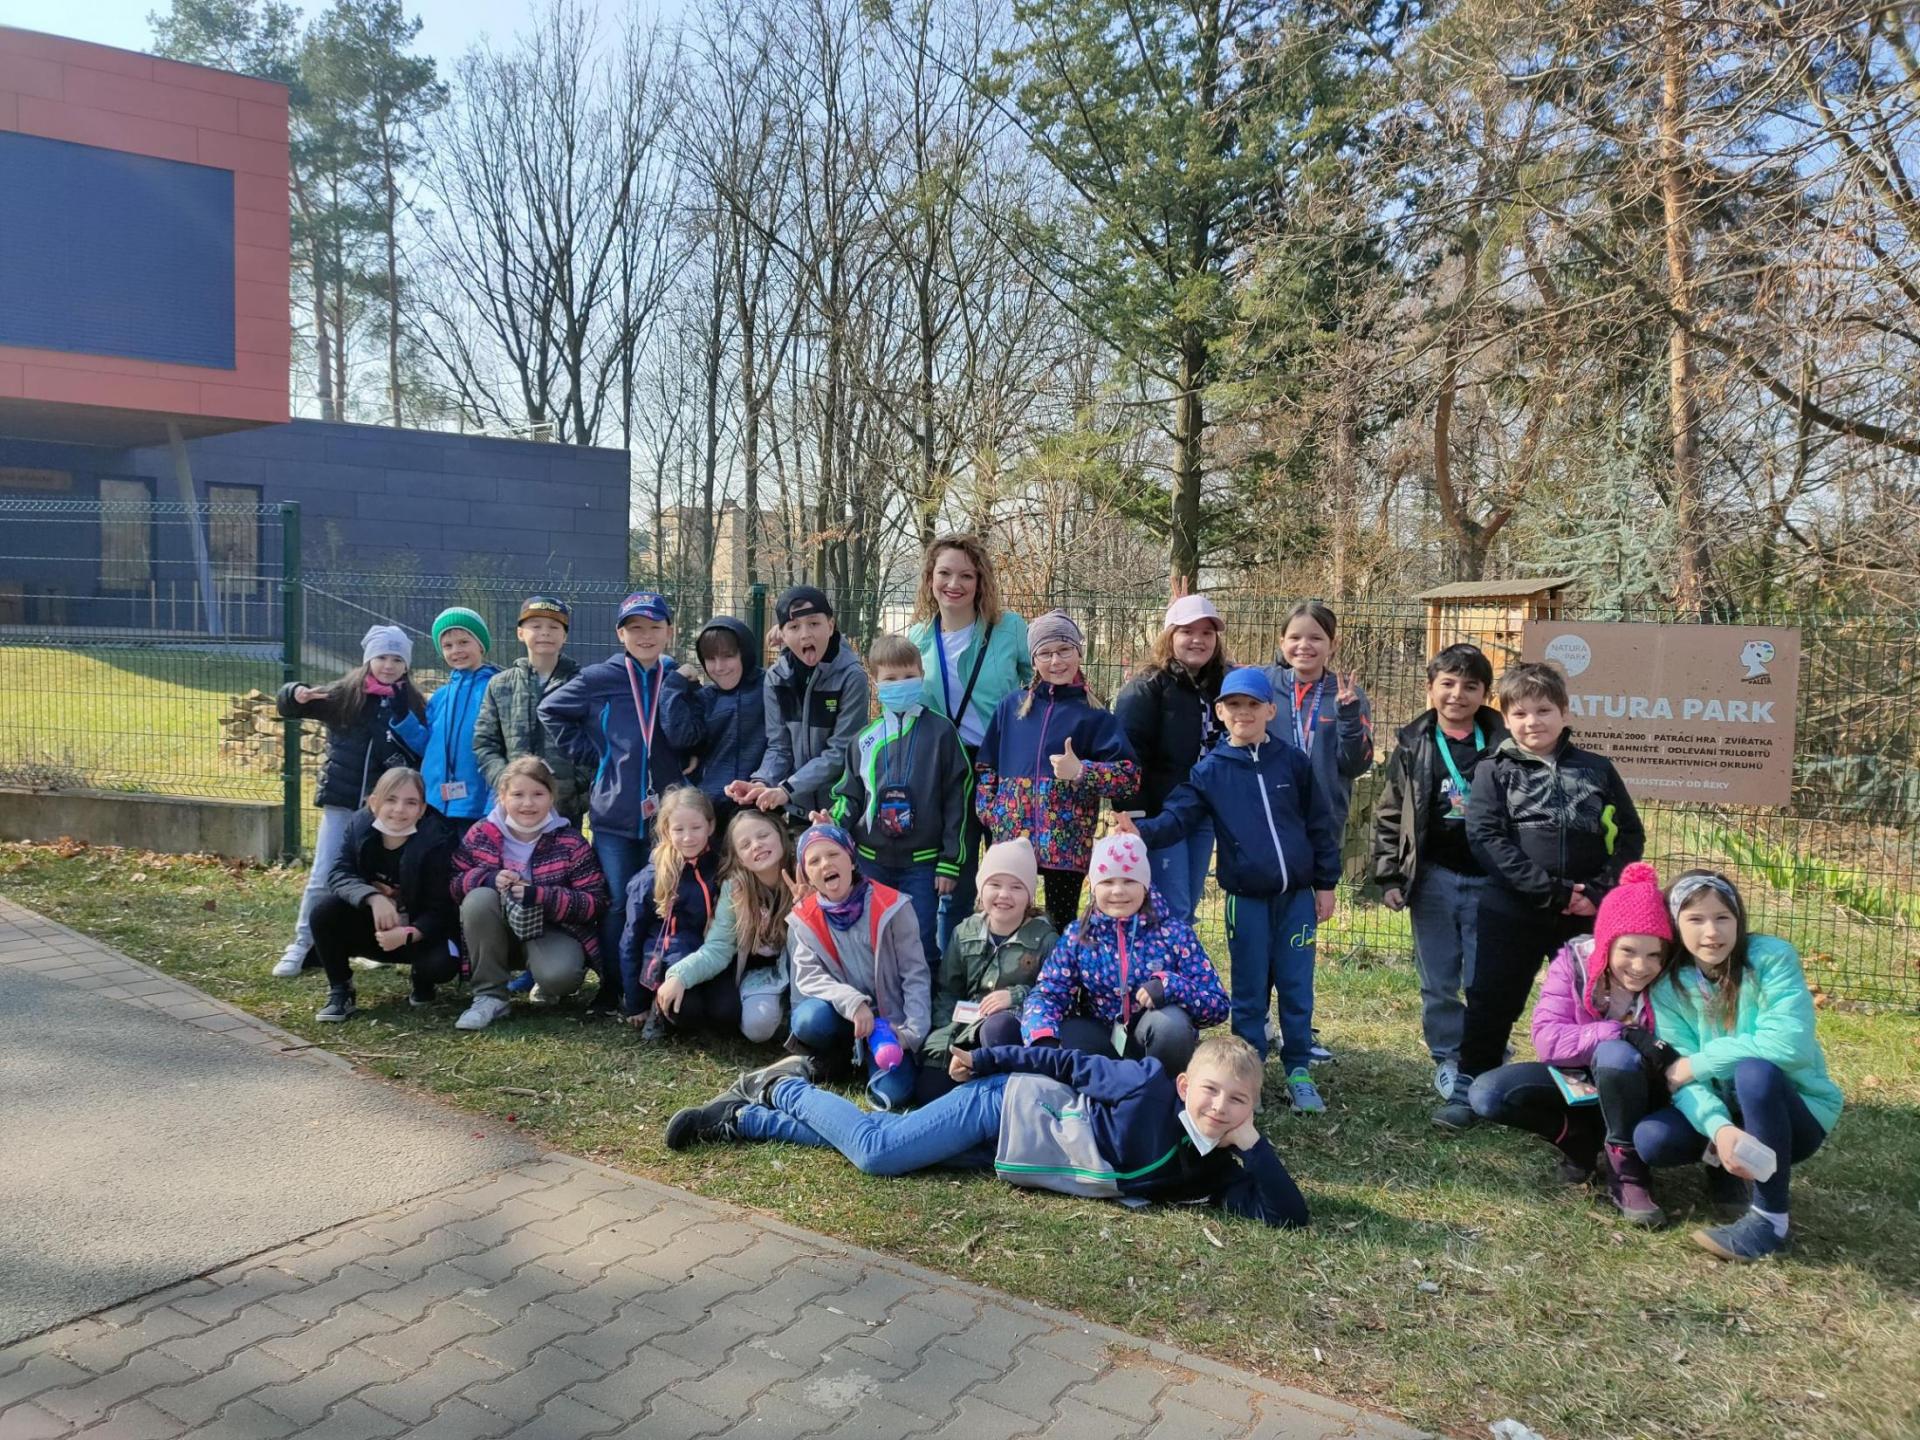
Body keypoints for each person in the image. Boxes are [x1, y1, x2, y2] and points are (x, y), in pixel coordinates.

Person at [664, 1034, 1309, 1230]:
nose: (1220, 1107)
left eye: (1238, 1101)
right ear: (1184, 1085)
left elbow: (1288, 1216)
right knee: (878, 1151)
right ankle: (782, 1087)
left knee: (890, 1137)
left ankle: (744, 1121)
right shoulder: (1145, 1085)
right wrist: (987, 1060)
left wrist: (1253, 1145)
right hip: (1003, 1108)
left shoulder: (1217, 1170)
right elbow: (1065, 1062)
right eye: (1210, 1090)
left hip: (1007, 1157)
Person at [1117, 667, 1340, 1112]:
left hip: (1296, 899)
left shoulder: (1292, 762)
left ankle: (1298, 1069)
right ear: (1220, 712)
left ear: (1270, 710)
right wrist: (1142, 832)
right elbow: (1179, 816)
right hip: (1246, 901)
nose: (1243, 713)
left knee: (1296, 985)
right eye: (1233, 705)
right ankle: (1248, 1073)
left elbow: (1320, 822)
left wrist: (1325, 883)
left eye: (1253, 705)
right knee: (1250, 991)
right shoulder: (1210, 771)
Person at [1435, 661, 1645, 1131]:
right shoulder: (1492, 770)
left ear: (1565, 713)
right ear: (1506, 719)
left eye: (1544, 710)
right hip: (1513, 908)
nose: (1533, 722)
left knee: (1590, 1000)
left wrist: (1597, 892)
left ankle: (1593, 1091)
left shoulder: (1598, 769)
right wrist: (1550, 891)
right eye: (1521, 713)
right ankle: (1470, 1084)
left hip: (1587, 911)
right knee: (1492, 997)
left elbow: (1630, 836)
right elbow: (1486, 838)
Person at [1640, 870, 1843, 1262]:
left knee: (1755, 1071)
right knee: (1653, 1140)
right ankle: (1722, 1166)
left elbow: (1789, 1045)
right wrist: (1720, 1128)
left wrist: (1700, 1062)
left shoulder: (1772, 958)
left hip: (1793, 1116)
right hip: (1729, 1113)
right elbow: (1680, 1079)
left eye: (1723, 917)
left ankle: (1770, 1219)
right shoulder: (1668, 988)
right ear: (1675, 925)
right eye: (1695, 919)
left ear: (1739, 919)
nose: (1711, 932)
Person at [1467, 862, 1677, 1225]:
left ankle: (1628, 1170)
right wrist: (1619, 1031)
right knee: (1488, 1093)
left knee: (1615, 1056)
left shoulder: (1673, 982)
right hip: (1576, 1079)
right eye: (1628, 950)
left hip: (1642, 1089)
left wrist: (1623, 1045)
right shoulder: (1572, 963)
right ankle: (1578, 1139)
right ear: (1607, 943)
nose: (1640, 966)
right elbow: (1547, 1040)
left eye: (1654, 954)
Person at [539, 591, 702, 1009]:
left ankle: (652, 983)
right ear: (620, 634)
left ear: (670, 631)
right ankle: (613, 986)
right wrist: (597, 756)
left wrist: (690, 756)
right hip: (614, 816)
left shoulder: (677, 677)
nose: (646, 636)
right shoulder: (600, 678)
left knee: (663, 898)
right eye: (636, 628)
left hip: (668, 816)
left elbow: (694, 726)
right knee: (616, 902)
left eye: (654, 627)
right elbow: (551, 710)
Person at [1368, 642, 1508, 1101]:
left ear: (1485, 693)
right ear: (1430, 688)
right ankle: (1448, 1058)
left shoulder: (1507, 745)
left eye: (1470, 686)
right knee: (1439, 980)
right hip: (1433, 879)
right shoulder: (1414, 744)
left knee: (1485, 980)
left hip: (1492, 883)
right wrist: (1389, 875)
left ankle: (1486, 1057)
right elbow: (1390, 812)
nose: (1457, 695)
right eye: (1447, 684)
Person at [270, 624, 425, 978]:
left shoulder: (412, 703)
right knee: (324, 872)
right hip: (342, 801)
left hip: (385, 809)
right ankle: (302, 944)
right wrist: (294, 693)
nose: (389, 665)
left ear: (406, 665)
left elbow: (419, 748)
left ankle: (371, 942)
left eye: (397, 659)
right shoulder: (344, 694)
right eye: (382, 657)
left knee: (377, 878)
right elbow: (290, 706)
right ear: (368, 659)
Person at [973, 610, 1139, 928]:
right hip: (1011, 838)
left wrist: (1081, 772)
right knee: (1008, 916)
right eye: (1045, 653)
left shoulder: (1095, 717)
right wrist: (990, 811)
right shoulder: (1011, 708)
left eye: (1064, 650)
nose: (1056, 661)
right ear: (1033, 659)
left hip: (1067, 845)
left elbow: (1128, 778)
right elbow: (986, 766)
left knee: (1061, 923)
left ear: (1078, 652)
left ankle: (1059, 963)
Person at [907, 534, 1032, 946]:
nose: (954, 584)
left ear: (980, 581)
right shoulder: (918, 638)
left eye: (966, 575)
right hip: (948, 771)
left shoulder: (1009, 629)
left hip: (1002, 767)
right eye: (944, 573)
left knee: (1008, 878)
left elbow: (1044, 675)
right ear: (930, 578)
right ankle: (952, 972)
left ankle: (1009, 967)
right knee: (953, 882)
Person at [1020, 832, 1228, 1076]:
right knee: (1064, 1033)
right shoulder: (1078, 935)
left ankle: (1166, 1091)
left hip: (1150, 1041)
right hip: (1099, 1037)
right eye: (1107, 882)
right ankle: (1089, 1095)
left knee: (1170, 1025)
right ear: (1093, 887)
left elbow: (1218, 1005)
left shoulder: (1175, 934)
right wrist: (1042, 1035)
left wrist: (1170, 987)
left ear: (1145, 886)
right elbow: (1049, 993)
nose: (1118, 891)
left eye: (1129, 880)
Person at [828, 633, 971, 967]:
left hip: (922, 864)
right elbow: (849, 795)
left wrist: (950, 860)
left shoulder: (942, 733)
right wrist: (832, 824)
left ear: (922, 675)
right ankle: (877, 994)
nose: (900, 684)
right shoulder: (864, 739)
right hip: (870, 861)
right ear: (875, 682)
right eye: (891, 679)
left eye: (909, 676)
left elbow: (958, 800)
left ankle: (926, 995)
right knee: (874, 936)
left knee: (920, 938)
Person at [450, 756, 609, 1032]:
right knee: (478, 898)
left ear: (551, 797)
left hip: (549, 930)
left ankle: (546, 981)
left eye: (538, 794)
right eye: (518, 795)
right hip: (496, 930)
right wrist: (488, 879)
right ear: (502, 797)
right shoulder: (481, 833)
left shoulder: (570, 841)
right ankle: (490, 996)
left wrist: (541, 895)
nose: (528, 803)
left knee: (560, 977)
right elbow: (454, 883)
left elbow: (595, 901)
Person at [784, 822, 931, 1112]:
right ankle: (840, 1053)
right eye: (814, 861)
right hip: (844, 1014)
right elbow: (809, 976)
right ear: (807, 875)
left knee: (894, 1095)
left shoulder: (893, 906)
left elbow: (916, 976)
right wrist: (852, 1002)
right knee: (808, 1020)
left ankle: (871, 1057)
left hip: (890, 1023)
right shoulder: (804, 917)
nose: (825, 864)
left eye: (833, 854)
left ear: (851, 860)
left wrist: (911, 1033)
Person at [307, 766, 458, 1023]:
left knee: (441, 966)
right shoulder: (358, 825)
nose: (399, 809)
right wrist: (372, 897)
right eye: (391, 799)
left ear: (422, 809)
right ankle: (341, 990)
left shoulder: (439, 837)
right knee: (324, 911)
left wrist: (409, 933)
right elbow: (339, 872)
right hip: (374, 927)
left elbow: (442, 907)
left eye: (411, 802)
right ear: (374, 803)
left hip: (418, 931)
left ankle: (422, 978)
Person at [1115, 593, 1231, 925]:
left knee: (1186, 909)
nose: (1198, 640)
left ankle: (1177, 959)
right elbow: (1127, 757)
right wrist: (1134, 818)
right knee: (1170, 910)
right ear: (1169, 636)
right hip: (1161, 816)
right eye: (1187, 631)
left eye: (1207, 633)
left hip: (1202, 813)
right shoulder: (1147, 688)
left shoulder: (1220, 686)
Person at [918, 837, 1058, 1103]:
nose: (1004, 895)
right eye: (995, 884)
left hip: (1009, 1032)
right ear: (981, 889)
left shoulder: (1045, 940)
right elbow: (948, 992)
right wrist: (942, 1041)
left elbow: (1055, 994)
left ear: (1029, 895)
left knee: (998, 1028)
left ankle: (1001, 1095)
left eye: (1016, 887)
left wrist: (1016, 996)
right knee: (929, 1090)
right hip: (966, 1028)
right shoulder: (964, 932)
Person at [728, 586, 868, 828]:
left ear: (831, 626)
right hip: (796, 807)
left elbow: (841, 752)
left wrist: (787, 789)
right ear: (782, 634)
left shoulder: (852, 677)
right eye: (794, 627)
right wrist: (762, 782)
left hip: (841, 807)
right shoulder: (775, 679)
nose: (805, 635)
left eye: (814, 624)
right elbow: (779, 747)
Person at [655, 809, 795, 1043]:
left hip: (804, 969)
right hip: (763, 974)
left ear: (780, 834)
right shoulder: (736, 889)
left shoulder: (805, 871)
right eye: (745, 844)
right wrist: (679, 976)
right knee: (756, 1029)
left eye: (763, 835)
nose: (757, 845)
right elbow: (718, 948)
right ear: (738, 858)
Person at [474, 595, 586, 826]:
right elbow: (485, 743)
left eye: (554, 627)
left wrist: (577, 789)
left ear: (564, 636)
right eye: (535, 626)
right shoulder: (499, 685)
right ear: (520, 633)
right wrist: (507, 784)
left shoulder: (583, 684)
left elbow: (596, 742)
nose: (545, 632)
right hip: (515, 807)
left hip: (565, 808)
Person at [620, 786, 720, 1028]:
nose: (688, 837)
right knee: (688, 1011)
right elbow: (631, 939)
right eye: (679, 829)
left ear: (710, 826)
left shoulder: (720, 868)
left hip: (711, 960)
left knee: (725, 1011)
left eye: (696, 827)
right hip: (671, 962)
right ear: (666, 830)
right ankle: (655, 1003)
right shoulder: (650, 878)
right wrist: (635, 1003)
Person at [420, 606, 501, 834]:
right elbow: (424, 745)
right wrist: (402, 719)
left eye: (464, 642)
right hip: (435, 804)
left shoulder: (495, 689)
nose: (456, 650)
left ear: (481, 645)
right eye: (448, 646)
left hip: (477, 807)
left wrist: (493, 802)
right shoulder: (440, 696)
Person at [684, 616, 767, 831]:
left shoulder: (770, 687)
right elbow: (680, 736)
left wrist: (786, 642)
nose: (719, 667)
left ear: (744, 653)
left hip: (760, 806)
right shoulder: (705, 697)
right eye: (710, 659)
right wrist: (673, 685)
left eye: (728, 656)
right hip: (711, 809)